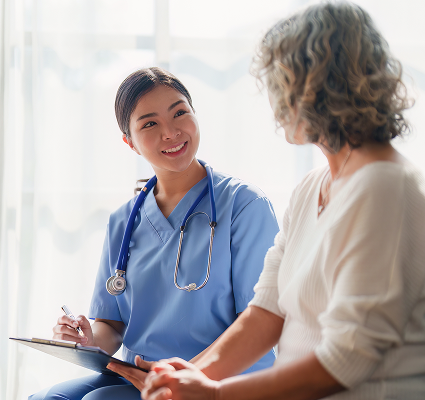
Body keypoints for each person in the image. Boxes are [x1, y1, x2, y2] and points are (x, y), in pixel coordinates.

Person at [141, 2, 425, 399]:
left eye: (281, 84)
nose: (275, 102)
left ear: (322, 88)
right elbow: (266, 313)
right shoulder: (312, 187)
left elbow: (348, 358)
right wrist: (183, 379)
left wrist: (216, 395)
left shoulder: (385, 189)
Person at [29, 67, 279, 400]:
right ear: (129, 142)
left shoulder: (245, 205)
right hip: (139, 375)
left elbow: (259, 319)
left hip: (219, 377)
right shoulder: (124, 220)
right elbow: (112, 325)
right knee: (48, 399)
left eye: (180, 113)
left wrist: (183, 375)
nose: (171, 132)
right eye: (150, 123)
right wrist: (87, 339)